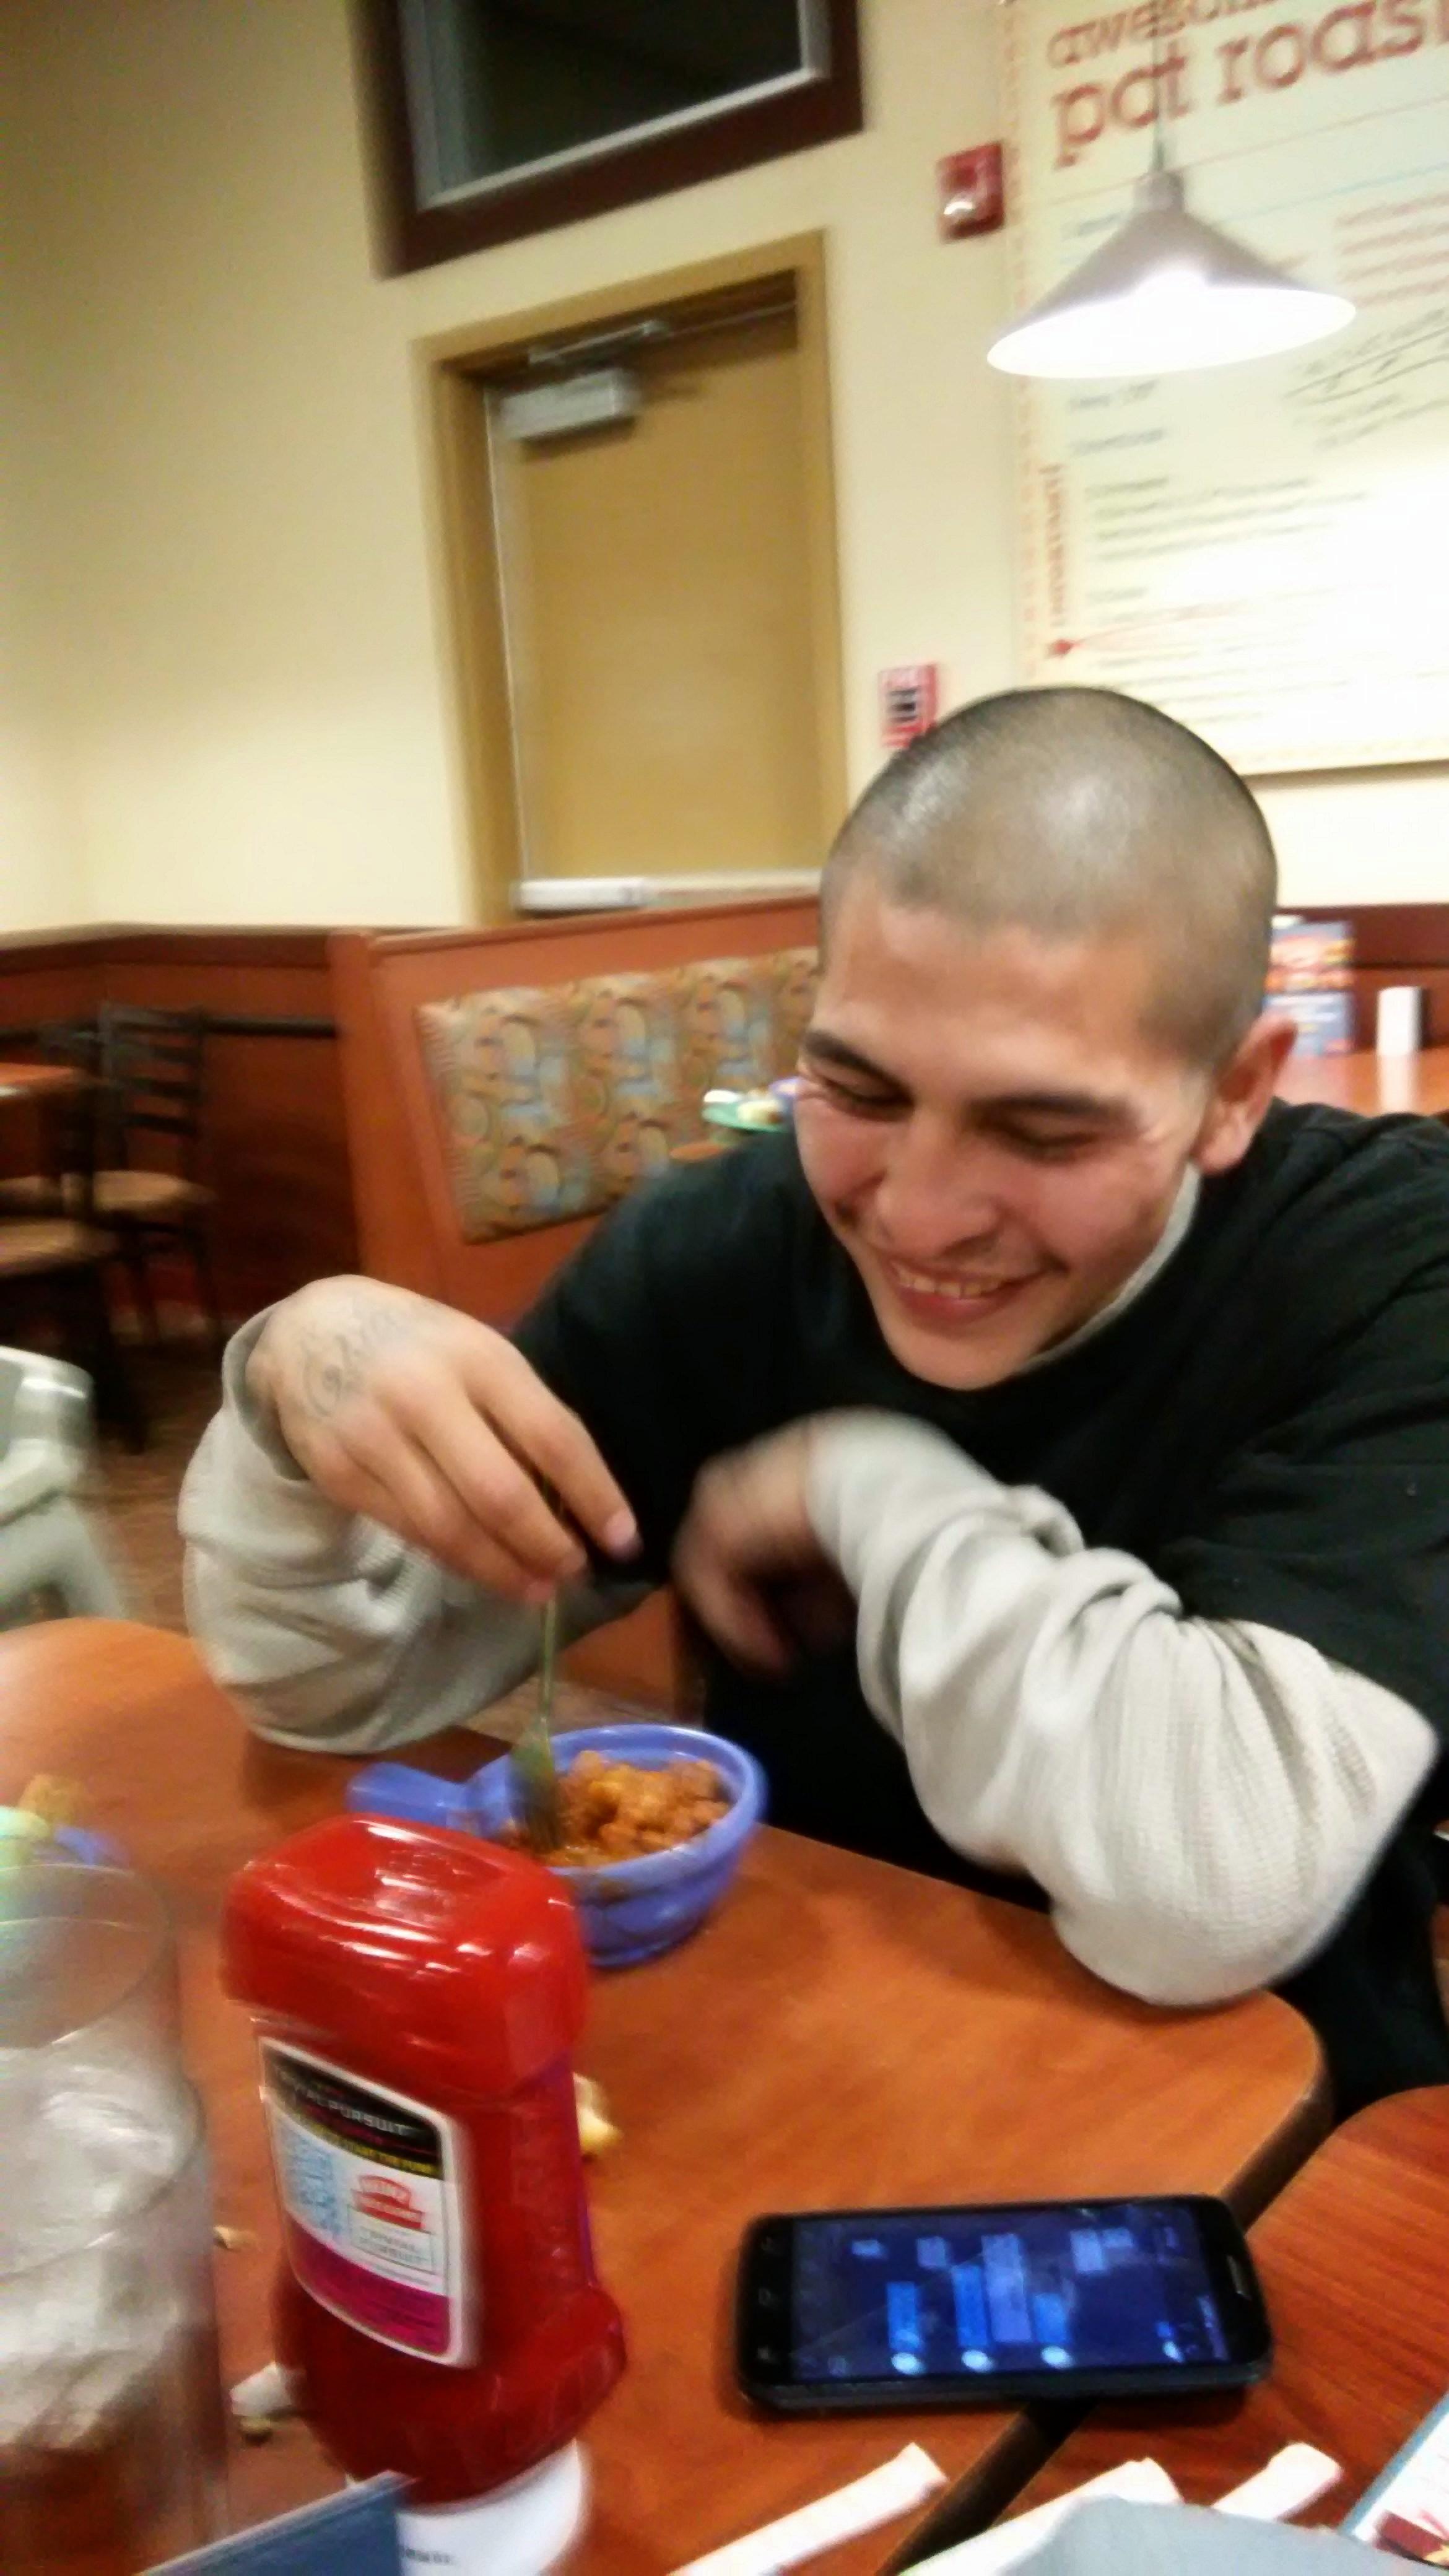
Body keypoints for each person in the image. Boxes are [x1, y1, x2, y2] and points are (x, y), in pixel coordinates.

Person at [181, 687, 1449, 2115]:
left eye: (1043, 1131)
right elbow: (333, 1696)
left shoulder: (1397, 1264)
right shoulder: (717, 1251)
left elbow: (1212, 1887)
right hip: (806, 2071)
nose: (918, 1214)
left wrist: (870, 1492)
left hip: (1278, 2135)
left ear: (1234, 1092)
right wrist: (295, 1376)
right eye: (859, 1090)